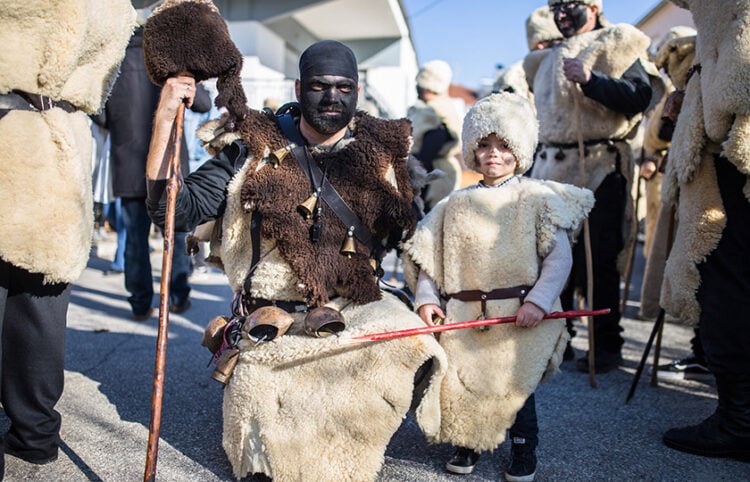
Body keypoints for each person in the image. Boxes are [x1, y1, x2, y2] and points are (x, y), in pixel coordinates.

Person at [144, 38, 446, 481]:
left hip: (352, 312)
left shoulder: (382, 153)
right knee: (267, 469)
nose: (331, 98)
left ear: (357, 93)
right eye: (320, 86)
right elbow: (170, 209)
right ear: (299, 87)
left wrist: (426, 294)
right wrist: (166, 117)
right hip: (272, 325)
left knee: (416, 347)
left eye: (344, 88)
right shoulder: (250, 147)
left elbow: (413, 236)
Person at [402, 92, 594, 481]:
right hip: (466, 314)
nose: (494, 154)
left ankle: (524, 447)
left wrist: (539, 302)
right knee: (465, 383)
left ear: (520, 149)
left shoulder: (537, 199)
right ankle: (468, 441)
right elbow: (429, 259)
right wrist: (426, 299)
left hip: (519, 315)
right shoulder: (453, 205)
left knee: (515, 386)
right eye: (485, 145)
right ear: (472, 149)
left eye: (505, 145)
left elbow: (559, 260)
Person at [0, 0, 135, 472]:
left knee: (40, 299)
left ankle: (33, 431)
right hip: (63, 142)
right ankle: (34, 433)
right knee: (40, 300)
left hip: (26, 137)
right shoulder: (114, 7)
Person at [524, 0, 663, 373]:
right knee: (550, 258)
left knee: (598, 259)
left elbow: (640, 97)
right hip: (550, 168)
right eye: (555, 7)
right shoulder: (542, 59)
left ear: (593, 5)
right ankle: (558, 338)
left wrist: (592, 81)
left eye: (569, 5)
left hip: (598, 166)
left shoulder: (619, 41)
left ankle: (605, 345)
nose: (561, 15)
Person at [657, 0, 750, 461]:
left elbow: (731, 93)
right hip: (730, 156)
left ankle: (739, 423)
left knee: (727, 284)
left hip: (734, 159)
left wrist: (702, 94)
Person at [104, 19, 211, 320]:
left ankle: (140, 302)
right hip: (170, 162)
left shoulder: (114, 61)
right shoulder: (171, 60)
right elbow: (202, 103)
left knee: (135, 238)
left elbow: (101, 116)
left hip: (128, 163)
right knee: (175, 233)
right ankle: (177, 295)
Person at [634, 28, 711, 380]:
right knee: (670, 258)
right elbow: (655, 136)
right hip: (672, 185)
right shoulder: (672, 92)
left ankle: (706, 351)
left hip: (703, 188)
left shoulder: (706, 78)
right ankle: (703, 350)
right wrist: (651, 153)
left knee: (705, 269)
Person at [407, 60, 463, 212]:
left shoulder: (435, 112)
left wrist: (413, 181)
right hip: (435, 174)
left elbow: (427, 152)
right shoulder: (428, 109)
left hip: (433, 179)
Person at [493, 6, 562, 98]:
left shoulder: (569, 69)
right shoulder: (513, 77)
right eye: (536, 42)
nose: (540, 46)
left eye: (548, 41)